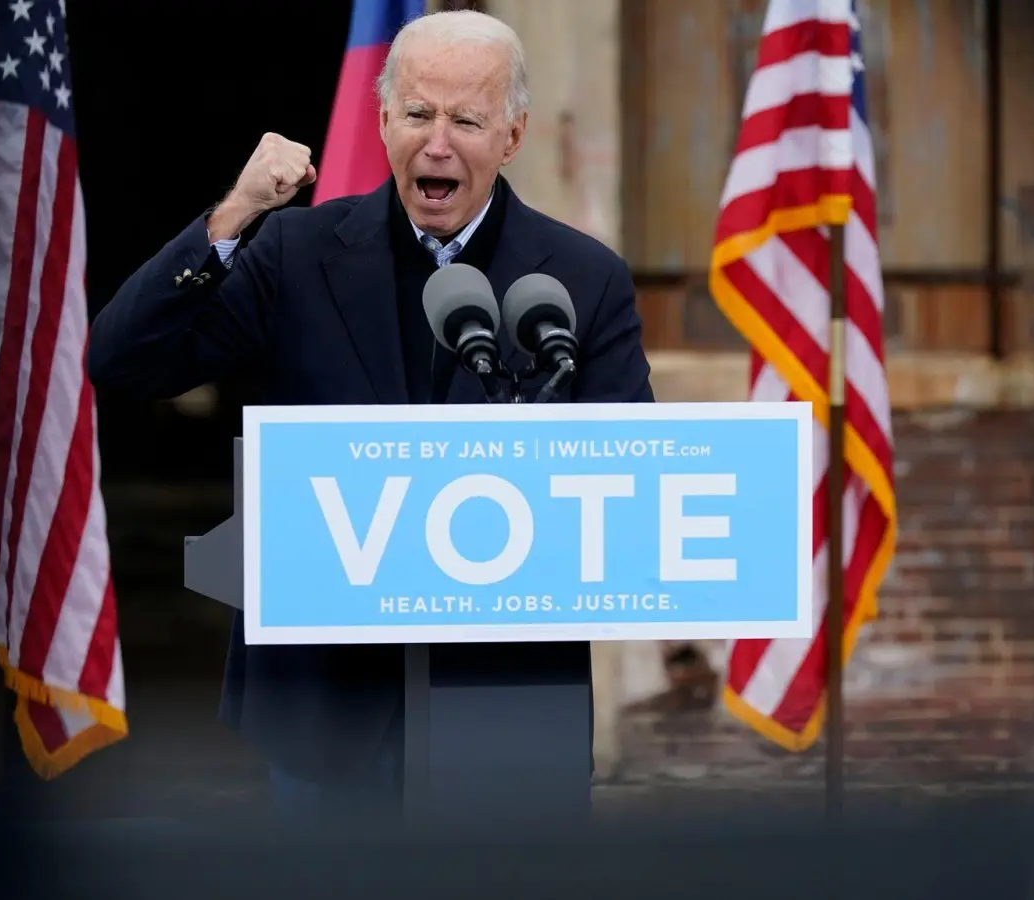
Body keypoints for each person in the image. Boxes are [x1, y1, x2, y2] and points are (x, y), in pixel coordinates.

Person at [86, 9, 654, 820]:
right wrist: (232, 216)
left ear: (514, 135)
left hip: (507, 711)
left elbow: (631, 483)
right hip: (326, 714)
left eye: (467, 120)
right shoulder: (292, 254)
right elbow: (120, 359)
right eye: (418, 114)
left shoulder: (583, 278)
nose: (438, 143)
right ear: (382, 119)